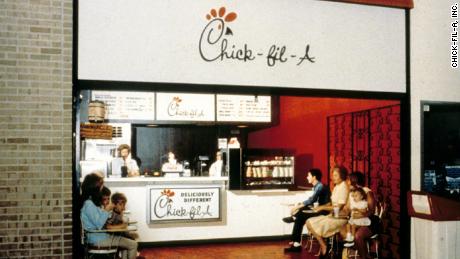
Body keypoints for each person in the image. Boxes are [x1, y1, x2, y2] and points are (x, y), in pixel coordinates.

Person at [80, 173, 138, 259]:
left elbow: (100, 220)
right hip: (99, 240)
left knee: (127, 245)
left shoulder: (90, 202)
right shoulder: (89, 204)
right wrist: (107, 209)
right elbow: (99, 224)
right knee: (133, 244)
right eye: (101, 186)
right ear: (94, 188)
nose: (102, 188)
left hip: (100, 237)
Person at [306, 166, 349, 258]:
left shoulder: (344, 187)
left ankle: (324, 247)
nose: (333, 177)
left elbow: (338, 207)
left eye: (336, 175)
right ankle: (324, 245)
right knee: (309, 222)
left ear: (342, 176)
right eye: (333, 175)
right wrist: (321, 206)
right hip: (333, 215)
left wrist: (322, 208)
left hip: (340, 218)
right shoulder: (337, 186)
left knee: (314, 223)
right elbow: (332, 202)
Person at [283, 169, 330, 253]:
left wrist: (296, 207)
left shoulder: (320, 186)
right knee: (300, 215)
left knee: (300, 215)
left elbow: (312, 200)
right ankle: (295, 243)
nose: (307, 177)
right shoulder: (317, 186)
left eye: (308, 175)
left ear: (314, 177)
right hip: (318, 208)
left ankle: (296, 243)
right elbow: (312, 200)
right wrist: (299, 205)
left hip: (323, 211)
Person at [339, 171, 377, 259]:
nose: (347, 182)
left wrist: (360, 215)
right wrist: (336, 213)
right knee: (341, 229)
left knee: (358, 236)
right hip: (355, 220)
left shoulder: (367, 192)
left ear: (353, 181)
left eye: (348, 180)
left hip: (369, 221)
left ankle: (363, 256)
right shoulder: (351, 193)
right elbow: (347, 210)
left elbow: (372, 211)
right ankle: (357, 251)